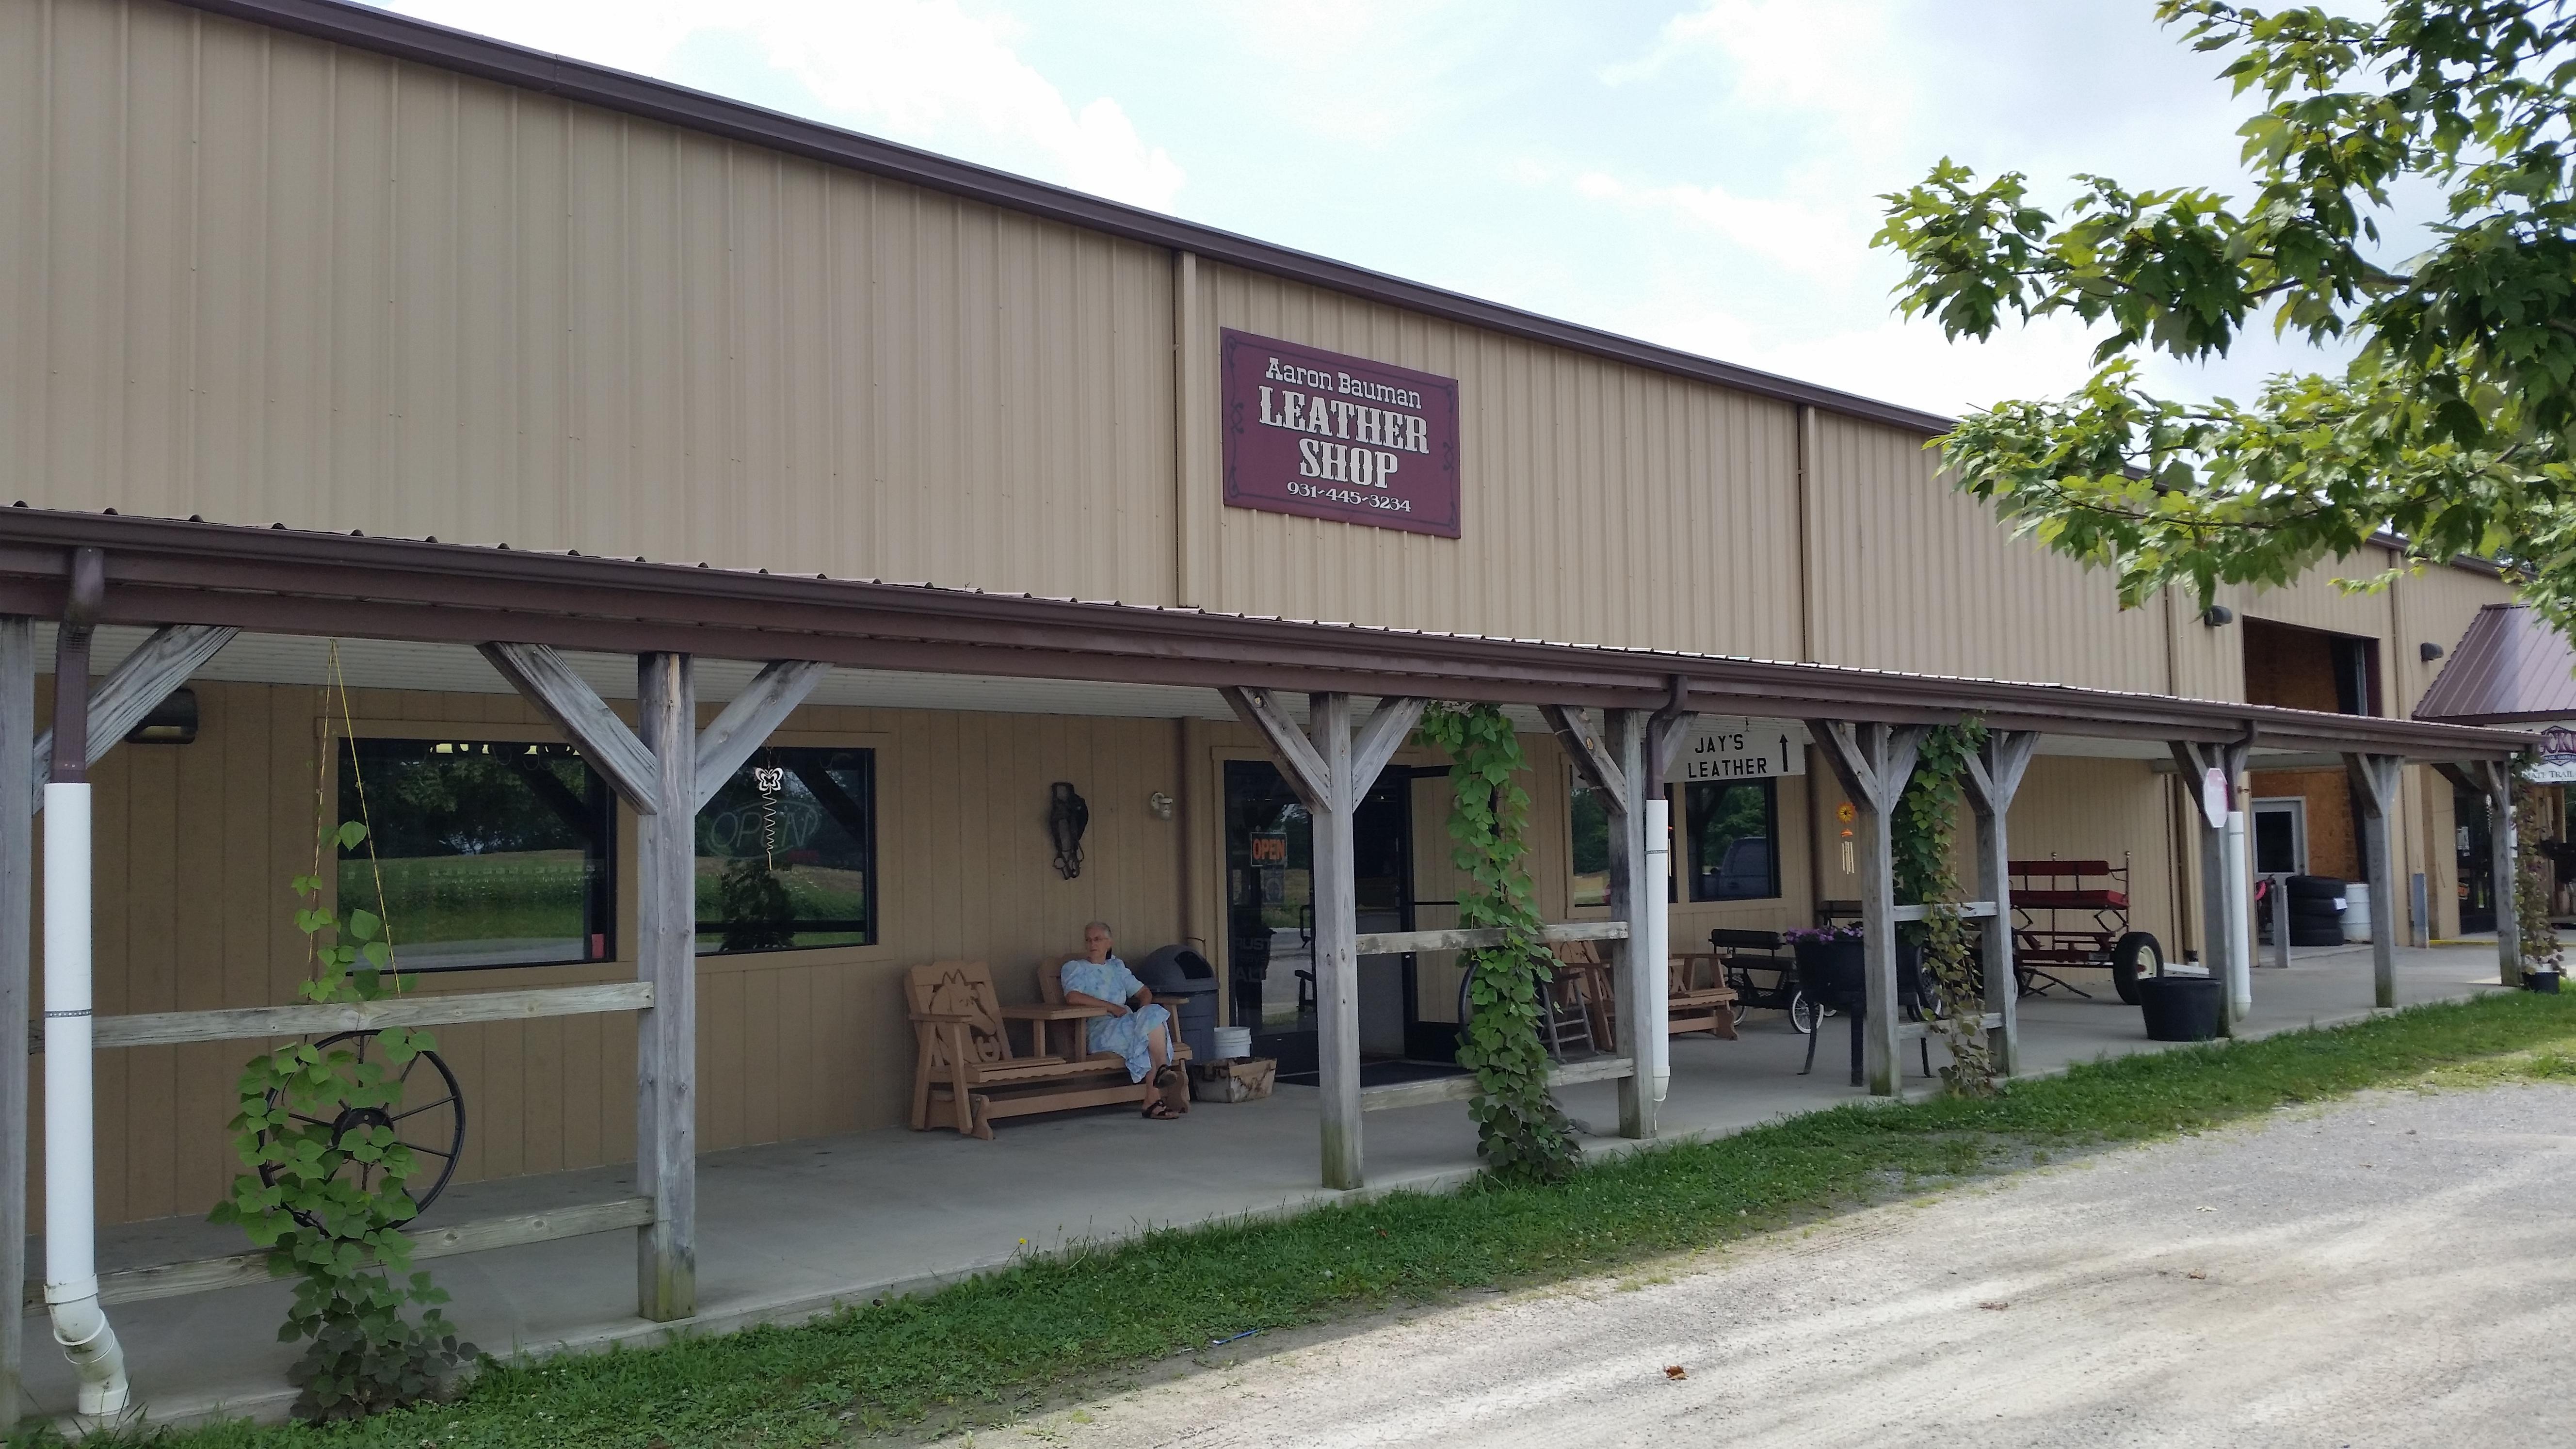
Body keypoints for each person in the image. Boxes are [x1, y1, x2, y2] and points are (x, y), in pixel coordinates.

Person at [1061, 920, 1185, 1119]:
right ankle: (1158, 1085)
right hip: (1099, 1029)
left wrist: (1143, 1015)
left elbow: (1144, 993)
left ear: (1109, 943)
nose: (1093, 944)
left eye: (1098, 939)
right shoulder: (1076, 968)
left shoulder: (1117, 968)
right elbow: (1073, 997)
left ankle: (1157, 1085)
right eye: (1089, 940)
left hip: (1126, 1025)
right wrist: (1112, 1007)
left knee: (1151, 1018)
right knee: (1148, 1033)